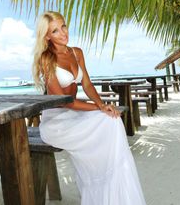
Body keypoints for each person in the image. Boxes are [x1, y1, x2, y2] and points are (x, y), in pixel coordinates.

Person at [32, 11, 146, 205]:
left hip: (74, 114)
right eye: (55, 30)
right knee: (106, 120)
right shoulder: (46, 59)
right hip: (56, 122)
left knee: (112, 120)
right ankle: (101, 189)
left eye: (64, 26)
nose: (63, 33)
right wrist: (97, 108)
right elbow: (63, 101)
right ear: (47, 36)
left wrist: (102, 105)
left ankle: (117, 195)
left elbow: (87, 85)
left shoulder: (76, 53)